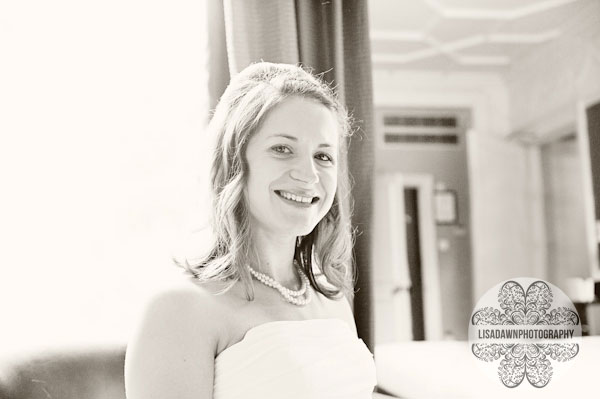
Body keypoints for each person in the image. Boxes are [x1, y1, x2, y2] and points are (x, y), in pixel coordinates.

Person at [124, 62, 377, 398]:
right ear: (233, 161)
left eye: (323, 156)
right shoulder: (179, 309)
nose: (309, 174)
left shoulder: (331, 297)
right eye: (282, 149)